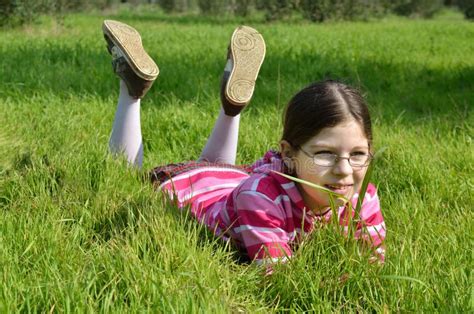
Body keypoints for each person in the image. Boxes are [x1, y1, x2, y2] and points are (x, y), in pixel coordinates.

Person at [103, 20, 386, 265]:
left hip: (231, 179)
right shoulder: (260, 199)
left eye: (359, 154)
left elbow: (373, 263)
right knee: (123, 181)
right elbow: (277, 274)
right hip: (190, 189)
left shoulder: (363, 196)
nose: (345, 170)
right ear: (287, 153)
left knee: (219, 168)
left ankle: (231, 109)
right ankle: (131, 90)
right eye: (325, 154)